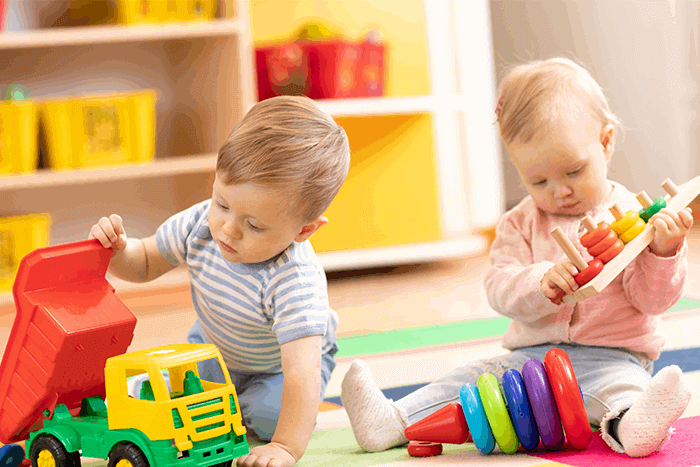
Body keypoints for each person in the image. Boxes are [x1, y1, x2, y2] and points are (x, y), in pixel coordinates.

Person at [340, 57, 693, 457]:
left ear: (606, 142)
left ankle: (633, 426)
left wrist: (662, 253)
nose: (559, 190)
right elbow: (499, 288)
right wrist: (539, 282)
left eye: (573, 171)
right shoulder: (518, 223)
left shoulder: (632, 219)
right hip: (529, 362)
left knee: (622, 390)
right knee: (470, 379)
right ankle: (393, 421)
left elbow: (652, 302)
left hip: (611, 358)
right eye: (538, 180)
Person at [89, 95, 350, 467]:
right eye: (222, 204)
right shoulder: (200, 225)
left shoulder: (295, 279)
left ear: (304, 230)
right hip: (213, 351)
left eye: (254, 225)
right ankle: (228, 404)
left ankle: (244, 409)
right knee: (153, 401)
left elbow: (299, 372)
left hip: (279, 367)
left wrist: (285, 448)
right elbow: (145, 263)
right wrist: (117, 250)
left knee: (269, 416)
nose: (228, 229)